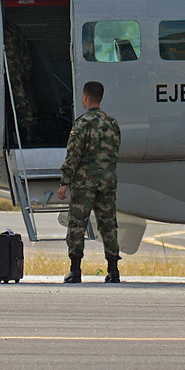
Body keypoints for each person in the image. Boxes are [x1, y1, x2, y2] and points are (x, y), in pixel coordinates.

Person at [57, 80, 122, 283]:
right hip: (107, 182)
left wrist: (65, 181)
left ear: (85, 98)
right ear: (100, 98)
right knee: (108, 225)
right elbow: (114, 152)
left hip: (85, 184)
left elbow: (73, 155)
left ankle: (75, 271)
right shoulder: (112, 124)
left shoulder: (82, 124)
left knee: (77, 224)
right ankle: (113, 270)